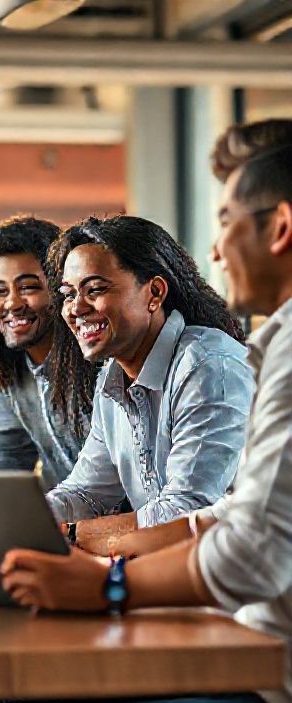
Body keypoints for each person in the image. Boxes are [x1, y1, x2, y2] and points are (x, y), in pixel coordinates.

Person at [0, 137, 292, 703]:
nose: (216, 249)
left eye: (227, 222)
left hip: (265, 695)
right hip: (238, 648)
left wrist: (104, 581)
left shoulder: (215, 362)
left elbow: (231, 537)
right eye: (68, 294)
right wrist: (7, 525)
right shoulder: (117, 378)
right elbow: (101, 488)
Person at [44, 215, 254, 556]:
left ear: (154, 293)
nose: (77, 308)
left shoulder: (208, 365)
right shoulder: (111, 379)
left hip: (237, 583)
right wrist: (24, 521)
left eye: (95, 290)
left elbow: (185, 514)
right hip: (175, 573)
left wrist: (71, 533)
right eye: (69, 294)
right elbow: (86, 493)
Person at [0, 214, 95, 489]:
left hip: (119, 523)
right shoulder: (8, 371)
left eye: (28, 287)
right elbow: (11, 459)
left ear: (62, 290)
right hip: (59, 519)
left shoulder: (97, 361)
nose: (11, 303)